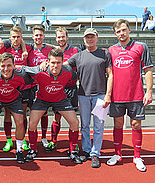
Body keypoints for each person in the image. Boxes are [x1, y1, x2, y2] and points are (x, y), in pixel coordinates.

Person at [106, 19, 153, 172]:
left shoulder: (141, 47)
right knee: (118, 125)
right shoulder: (111, 50)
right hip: (117, 96)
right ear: (115, 34)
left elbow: (147, 70)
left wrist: (149, 91)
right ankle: (118, 154)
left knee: (136, 125)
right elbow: (109, 74)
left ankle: (137, 156)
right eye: (118, 31)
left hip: (136, 95)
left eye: (124, 30)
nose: (121, 33)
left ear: (129, 30)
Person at [22, 48, 82, 164]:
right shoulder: (39, 70)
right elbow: (24, 68)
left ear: (63, 62)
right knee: (32, 122)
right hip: (42, 100)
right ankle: (33, 150)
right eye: (53, 62)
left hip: (60, 99)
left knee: (74, 122)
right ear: (48, 62)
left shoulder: (68, 70)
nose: (55, 65)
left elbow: (77, 76)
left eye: (58, 62)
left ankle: (72, 151)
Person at [65, 28, 113, 168]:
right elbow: (63, 65)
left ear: (97, 38)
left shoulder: (105, 54)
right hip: (83, 96)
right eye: (87, 37)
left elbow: (110, 75)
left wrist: (108, 95)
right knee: (84, 125)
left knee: (98, 126)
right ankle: (86, 150)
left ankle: (95, 154)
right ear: (84, 39)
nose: (90, 39)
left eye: (92, 37)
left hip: (100, 95)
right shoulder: (78, 56)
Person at [0, 52, 33, 164]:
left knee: (19, 121)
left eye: (9, 65)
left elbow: (36, 74)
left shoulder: (21, 74)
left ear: (14, 65)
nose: (6, 69)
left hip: (14, 99)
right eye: (3, 66)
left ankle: (18, 150)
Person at [45, 27, 81, 152]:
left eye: (63, 36)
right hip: (58, 88)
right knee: (57, 116)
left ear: (67, 37)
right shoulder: (53, 52)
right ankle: (53, 141)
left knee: (73, 119)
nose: (61, 39)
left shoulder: (75, 50)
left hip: (71, 88)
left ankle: (73, 144)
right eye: (59, 37)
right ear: (56, 38)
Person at [0, 26, 31, 152]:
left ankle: (22, 139)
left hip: (23, 87)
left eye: (18, 37)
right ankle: (8, 140)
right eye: (13, 37)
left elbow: (42, 44)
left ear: (21, 37)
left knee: (22, 114)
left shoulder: (27, 48)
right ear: (10, 37)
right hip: (9, 87)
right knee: (7, 113)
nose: (16, 39)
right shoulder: (6, 48)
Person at [28, 25, 52, 149]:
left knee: (44, 113)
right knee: (32, 115)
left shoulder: (48, 50)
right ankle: (31, 138)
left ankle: (43, 137)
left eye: (40, 35)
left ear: (44, 36)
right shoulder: (28, 49)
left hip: (44, 86)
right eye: (36, 35)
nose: (38, 37)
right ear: (33, 36)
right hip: (30, 86)